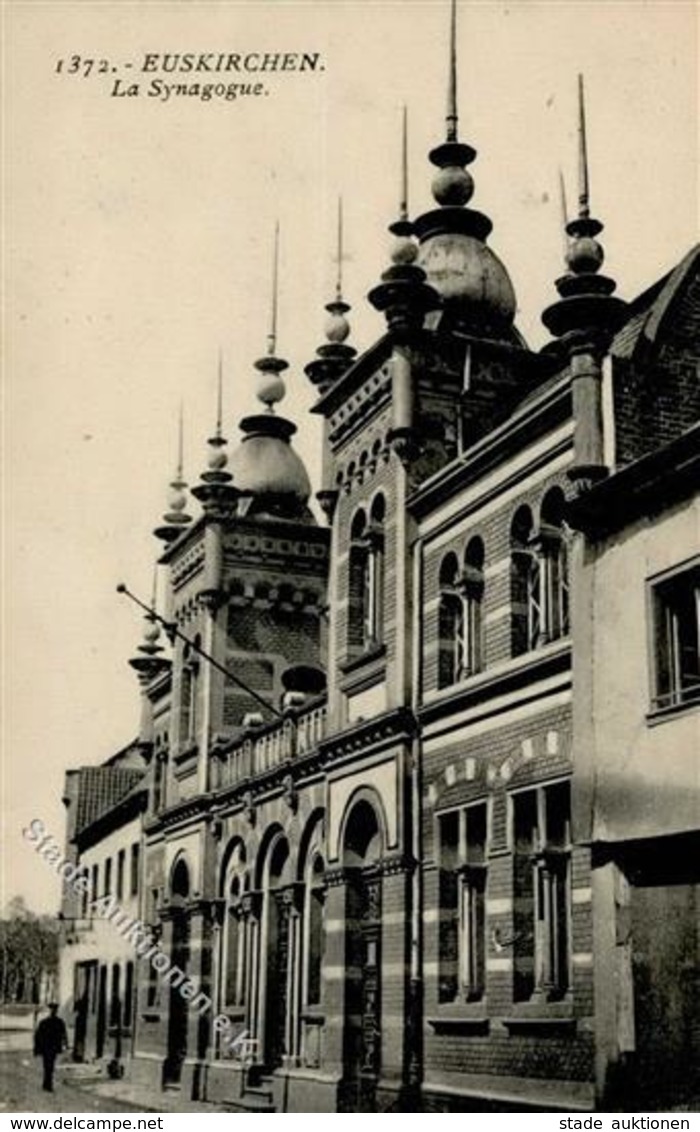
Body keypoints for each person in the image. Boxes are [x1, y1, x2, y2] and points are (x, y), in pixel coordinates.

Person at [34, 1003, 68, 1092]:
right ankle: (47, 1083)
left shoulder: (58, 1022)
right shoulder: (45, 1022)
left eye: (54, 1010)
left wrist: (65, 1044)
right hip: (48, 1047)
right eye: (52, 1010)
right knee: (48, 1065)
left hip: (52, 1047)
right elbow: (38, 1036)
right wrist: (37, 1048)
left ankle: (47, 1083)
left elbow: (64, 1035)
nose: (53, 1012)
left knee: (49, 1065)